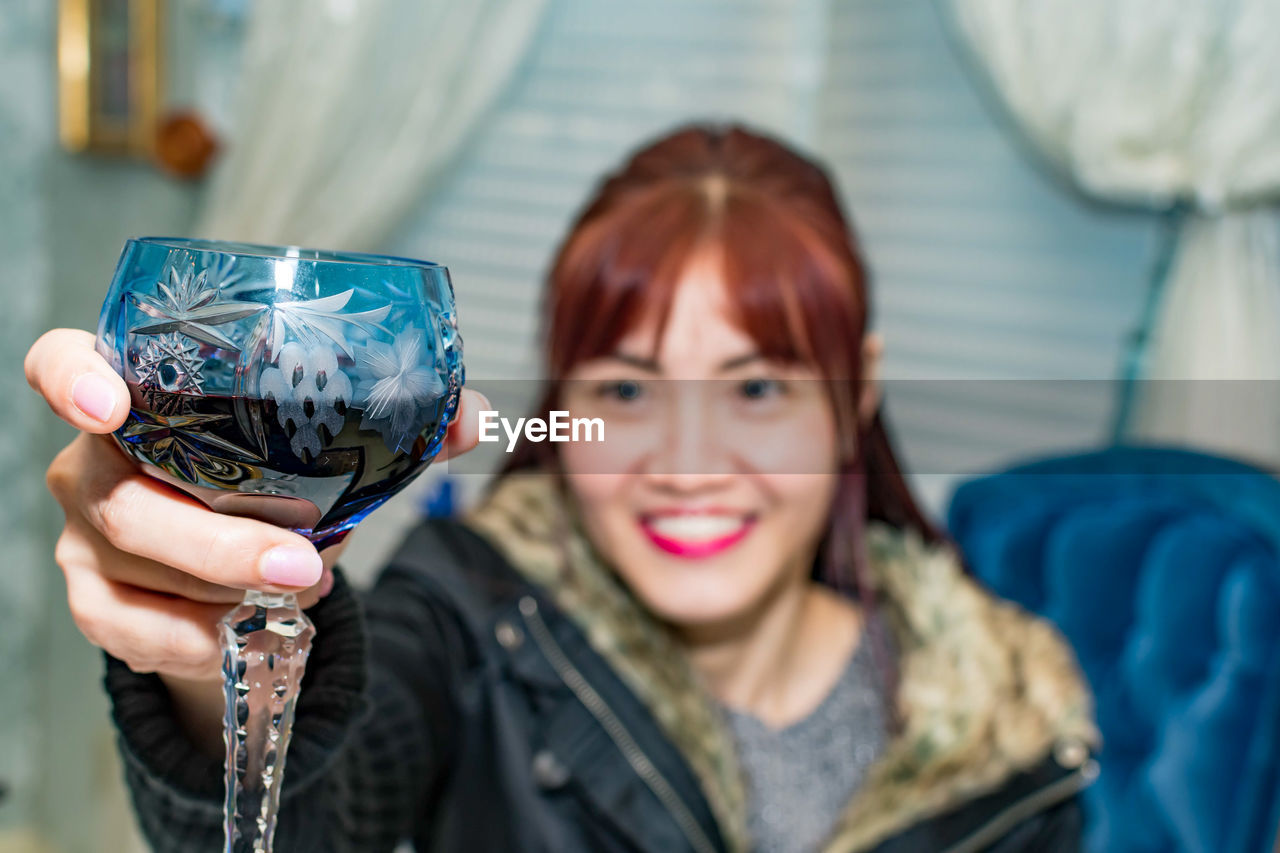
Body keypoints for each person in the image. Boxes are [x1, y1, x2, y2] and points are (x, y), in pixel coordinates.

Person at [27, 125, 1098, 852]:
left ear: (853, 391)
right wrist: (201, 643)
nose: (685, 458)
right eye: (627, 388)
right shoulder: (471, 614)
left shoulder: (1010, 732)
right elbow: (317, 812)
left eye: (757, 387)